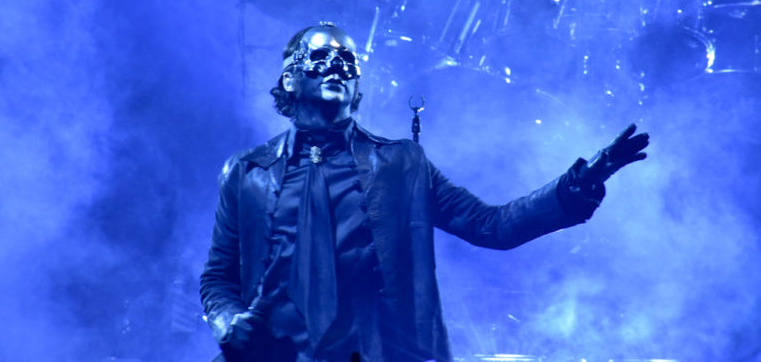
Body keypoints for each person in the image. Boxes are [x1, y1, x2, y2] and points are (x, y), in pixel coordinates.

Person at [200, 23, 649, 362]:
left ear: (356, 87)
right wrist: (226, 322)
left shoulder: (401, 164)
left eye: (348, 61)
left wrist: (581, 182)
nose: (336, 66)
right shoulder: (247, 173)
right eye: (320, 57)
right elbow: (218, 278)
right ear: (290, 79)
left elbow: (492, 225)